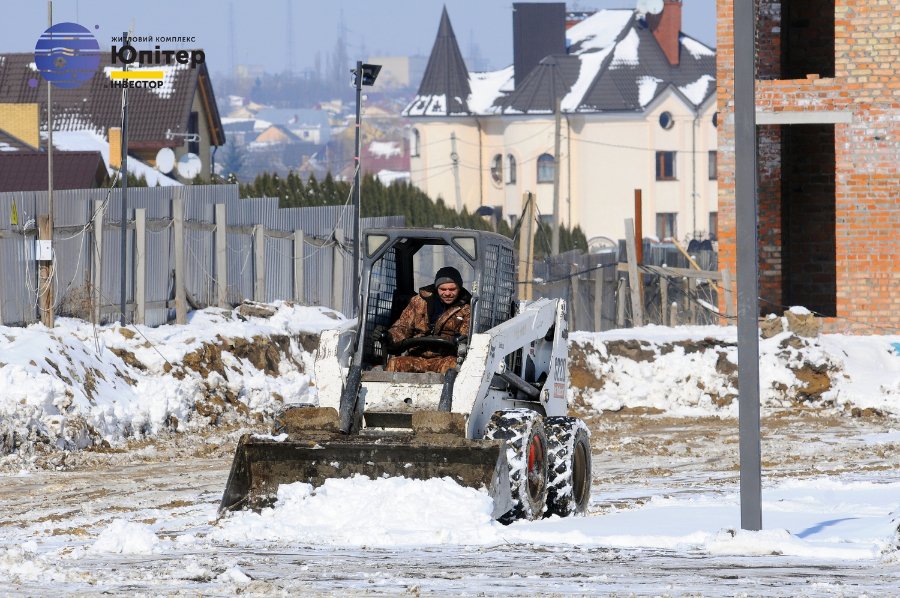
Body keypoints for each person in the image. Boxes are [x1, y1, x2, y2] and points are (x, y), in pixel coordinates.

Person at [383, 266, 471, 374]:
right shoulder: (419, 302)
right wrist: (389, 336)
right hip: (417, 357)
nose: (447, 293)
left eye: (452, 289)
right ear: (436, 288)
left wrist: (461, 340)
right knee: (395, 364)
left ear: (459, 288)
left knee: (453, 368)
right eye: (443, 289)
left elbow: (466, 334)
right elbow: (403, 327)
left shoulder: (467, 309)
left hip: (444, 359)